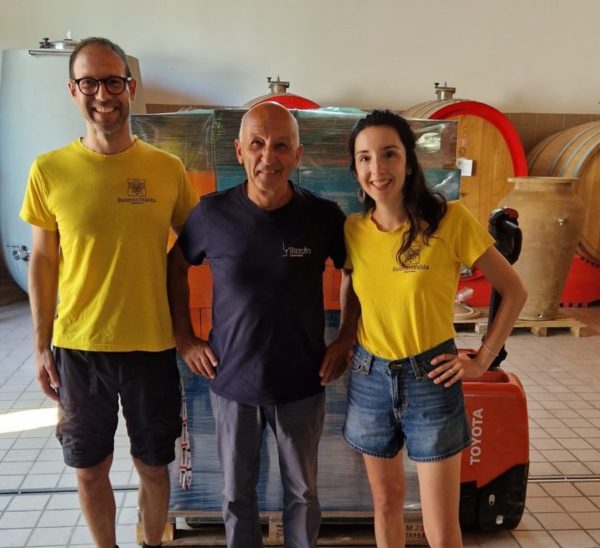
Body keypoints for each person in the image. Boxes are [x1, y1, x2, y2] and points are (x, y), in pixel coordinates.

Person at [20, 37, 196, 548]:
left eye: (113, 81)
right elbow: (43, 262)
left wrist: (189, 330)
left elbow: (197, 247)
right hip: (79, 348)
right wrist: (41, 346)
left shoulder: (167, 169)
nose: (103, 94)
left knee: (154, 464)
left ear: (130, 88)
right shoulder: (49, 169)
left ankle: (151, 543)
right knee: (89, 467)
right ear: (73, 90)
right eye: (90, 82)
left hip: (151, 345)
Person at [167, 101, 353, 548]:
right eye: (257, 144)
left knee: (303, 494)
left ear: (297, 154)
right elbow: (175, 267)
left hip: (302, 383)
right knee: (236, 496)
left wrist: (345, 339)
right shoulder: (211, 214)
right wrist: (184, 338)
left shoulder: (323, 216)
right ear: (239, 151)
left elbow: (355, 272)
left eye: (281, 146)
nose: (268, 156)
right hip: (232, 381)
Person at [342, 110, 527, 548]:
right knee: (385, 503)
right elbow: (352, 286)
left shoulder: (449, 219)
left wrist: (483, 360)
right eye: (365, 158)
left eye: (389, 154)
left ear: (408, 161)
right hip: (370, 378)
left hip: (431, 379)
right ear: (356, 169)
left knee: (440, 527)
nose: (377, 168)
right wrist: (344, 340)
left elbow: (514, 290)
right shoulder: (353, 229)